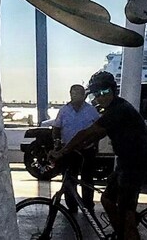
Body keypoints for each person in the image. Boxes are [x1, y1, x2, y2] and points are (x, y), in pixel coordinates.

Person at [51, 71, 147, 240]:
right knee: (107, 199)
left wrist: (63, 151)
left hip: (135, 164)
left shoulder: (118, 110)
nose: (101, 97)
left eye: (105, 92)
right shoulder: (112, 110)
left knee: (126, 215)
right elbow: (96, 135)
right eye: (97, 94)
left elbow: (87, 132)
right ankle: (121, 235)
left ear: (113, 91)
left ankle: (127, 232)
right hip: (126, 162)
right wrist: (77, 148)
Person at [54, 84, 101, 213]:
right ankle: (72, 206)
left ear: (83, 95)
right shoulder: (64, 110)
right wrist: (57, 142)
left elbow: (99, 129)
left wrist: (94, 143)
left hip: (87, 149)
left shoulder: (91, 110)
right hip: (69, 150)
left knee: (87, 178)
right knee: (69, 177)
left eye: (79, 93)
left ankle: (88, 205)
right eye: (73, 93)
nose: (76, 96)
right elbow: (56, 128)